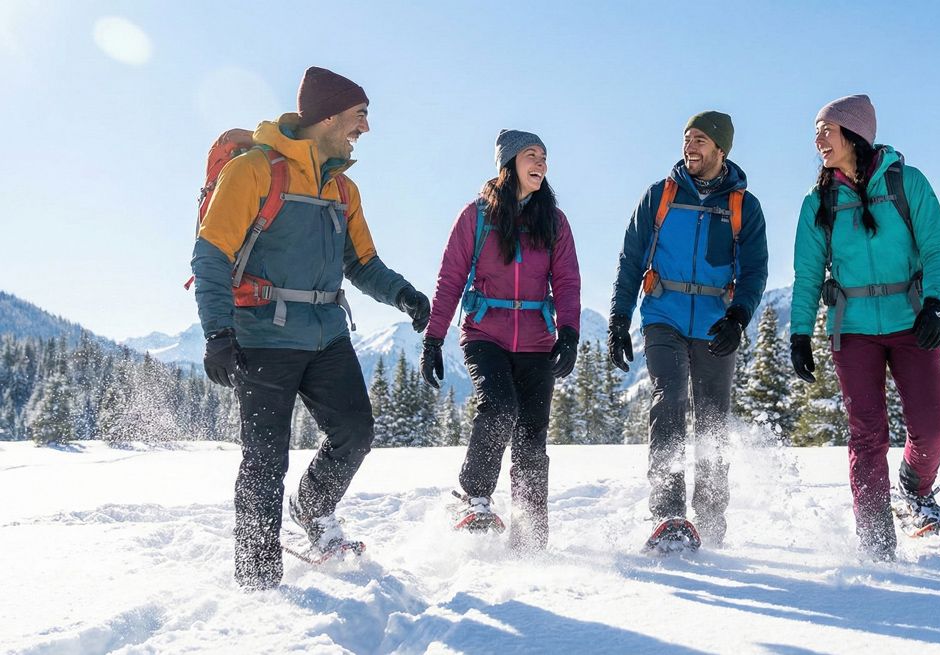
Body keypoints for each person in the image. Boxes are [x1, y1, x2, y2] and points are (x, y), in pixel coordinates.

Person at [192, 67, 431, 590]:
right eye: (359, 116)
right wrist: (217, 332)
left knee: (355, 432)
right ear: (328, 116)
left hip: (326, 336)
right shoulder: (256, 170)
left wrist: (405, 295)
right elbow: (210, 255)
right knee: (263, 461)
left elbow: (363, 263)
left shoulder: (344, 189)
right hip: (262, 338)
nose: (364, 128)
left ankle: (314, 507)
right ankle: (258, 583)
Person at [789, 94, 940, 561]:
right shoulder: (818, 200)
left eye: (826, 129)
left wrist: (936, 305)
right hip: (854, 328)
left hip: (910, 322)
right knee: (867, 435)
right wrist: (799, 332)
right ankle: (875, 540)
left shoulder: (909, 183)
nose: (818, 139)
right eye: (815, 132)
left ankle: (916, 489)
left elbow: (938, 249)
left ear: (855, 132)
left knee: (930, 429)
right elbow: (807, 273)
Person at [608, 111, 769, 550]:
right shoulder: (660, 196)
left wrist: (738, 317)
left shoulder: (743, 206)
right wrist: (620, 317)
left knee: (714, 418)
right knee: (671, 398)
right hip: (664, 315)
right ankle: (669, 514)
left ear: (721, 149)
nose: (689, 146)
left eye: (699, 139)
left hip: (716, 321)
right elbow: (631, 259)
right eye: (686, 138)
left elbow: (754, 271)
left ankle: (712, 519)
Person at [420, 129, 581, 553]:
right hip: (485, 333)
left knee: (532, 436)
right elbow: (450, 278)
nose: (541, 164)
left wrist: (569, 332)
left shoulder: (554, 221)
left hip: (536, 339)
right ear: (508, 164)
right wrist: (433, 338)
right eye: (532, 155)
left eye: (545, 156)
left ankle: (529, 537)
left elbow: (566, 280)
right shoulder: (476, 217)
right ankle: (473, 497)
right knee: (499, 407)